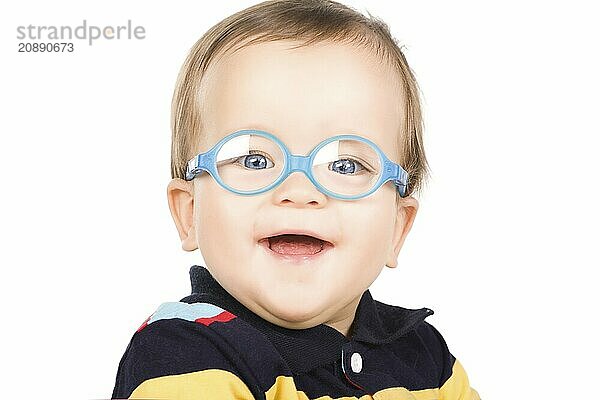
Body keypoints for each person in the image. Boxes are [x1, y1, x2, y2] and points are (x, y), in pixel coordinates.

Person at [111, 0, 480, 398]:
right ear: (190, 212)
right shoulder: (183, 352)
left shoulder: (428, 358)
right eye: (254, 159)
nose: (299, 192)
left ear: (397, 227)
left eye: (345, 166)